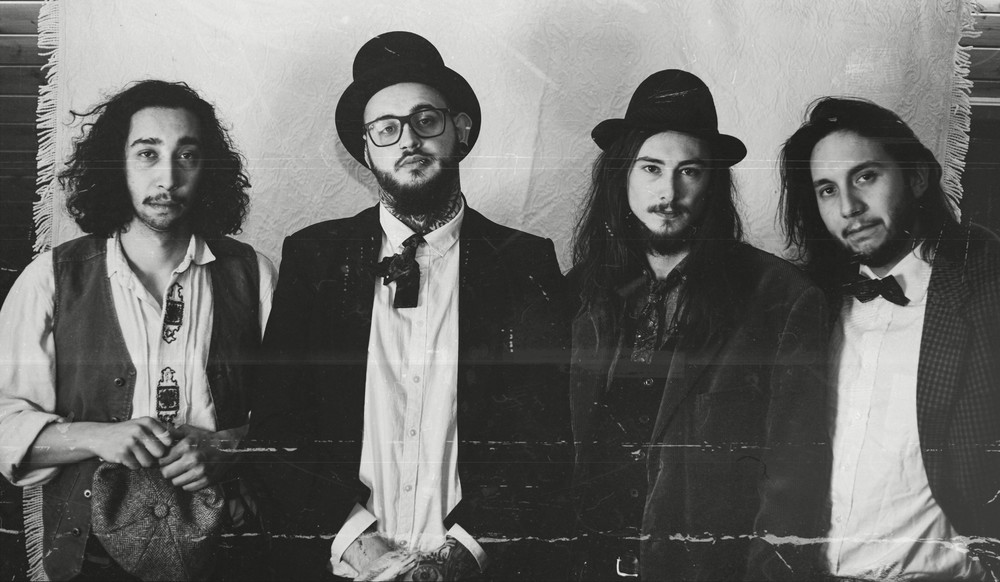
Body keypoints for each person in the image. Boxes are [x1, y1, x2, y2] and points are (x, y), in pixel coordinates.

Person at [248, 31, 571, 580]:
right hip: (344, 566)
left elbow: (543, 439)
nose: (409, 140)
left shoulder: (526, 263)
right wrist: (361, 547)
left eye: (426, 120)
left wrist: (458, 557)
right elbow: (277, 429)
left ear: (460, 130)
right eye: (386, 128)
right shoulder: (314, 258)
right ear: (366, 149)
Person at [0, 79, 275, 581]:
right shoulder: (51, 278)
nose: (167, 176)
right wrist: (96, 437)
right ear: (116, 165)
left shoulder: (252, 273)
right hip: (91, 558)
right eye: (147, 153)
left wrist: (228, 446)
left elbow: (299, 419)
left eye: (186, 155)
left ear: (207, 168)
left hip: (228, 550)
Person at [570, 69, 830, 581]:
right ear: (621, 176)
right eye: (651, 168)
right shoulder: (580, 291)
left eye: (689, 171)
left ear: (713, 183)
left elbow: (795, 483)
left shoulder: (781, 298)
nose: (668, 191)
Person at [779, 96, 1000, 580]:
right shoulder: (808, 305)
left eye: (865, 177)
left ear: (916, 178)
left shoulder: (986, 288)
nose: (849, 207)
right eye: (827, 190)